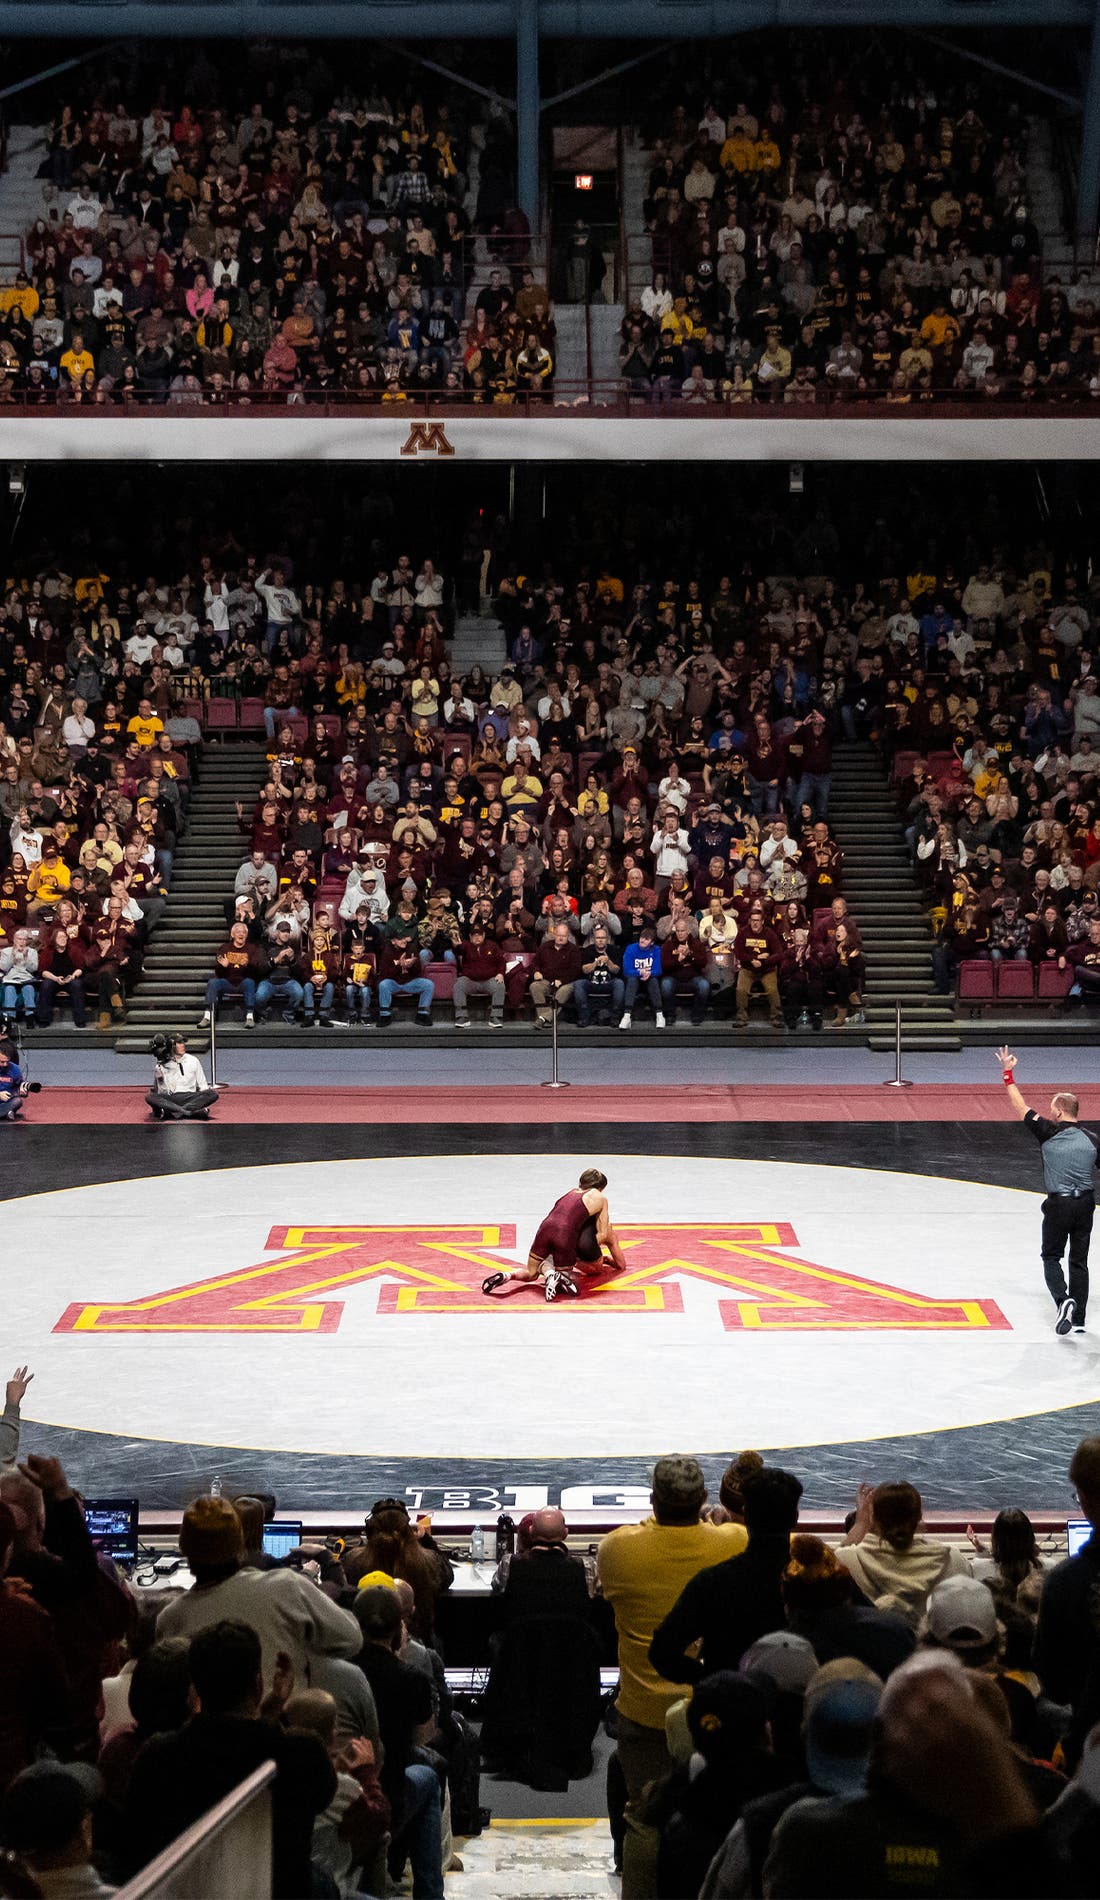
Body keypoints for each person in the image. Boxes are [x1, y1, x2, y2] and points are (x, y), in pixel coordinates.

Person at [597, 1456, 749, 1897]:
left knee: (644, 1816)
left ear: (653, 1500)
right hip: (712, 1704)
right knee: (722, 1809)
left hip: (645, 1709)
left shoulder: (618, 1549)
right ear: (703, 1498)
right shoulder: (733, 1541)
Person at [122, 1620, 337, 1900]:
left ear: (194, 1691)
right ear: (258, 1682)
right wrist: (272, 1716)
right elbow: (320, 1796)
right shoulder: (303, 1753)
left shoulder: (157, 1757)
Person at [649, 1466, 804, 1684]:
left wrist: (712, 1680)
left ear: (746, 1514)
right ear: (795, 1518)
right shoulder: (818, 1580)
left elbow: (662, 1654)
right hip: (797, 1712)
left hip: (730, 1708)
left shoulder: (713, 1583)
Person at [998, 1044, 1099, 1334]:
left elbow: (1020, 1106)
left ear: (1057, 1110)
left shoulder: (1047, 1131)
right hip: (1086, 1205)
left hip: (1059, 1205)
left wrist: (1008, 1074)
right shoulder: (1092, 1139)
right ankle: (1079, 1319)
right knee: (1079, 1260)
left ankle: (1063, 1300)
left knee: (1051, 1256)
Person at [481, 1165, 628, 1302]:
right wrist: (583, 1251)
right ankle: (551, 1274)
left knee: (531, 1273)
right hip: (565, 1235)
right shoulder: (600, 1198)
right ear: (600, 1188)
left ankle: (508, 1275)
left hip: (545, 1228)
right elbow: (602, 1233)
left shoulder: (570, 1193)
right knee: (564, 1280)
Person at [144, 1031, 219, 1121]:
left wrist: (201, 1098)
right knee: (150, 1097)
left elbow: (203, 1086)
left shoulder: (193, 1060)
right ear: (172, 1046)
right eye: (179, 1043)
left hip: (189, 1096)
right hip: (172, 1097)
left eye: (183, 1042)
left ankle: (176, 1112)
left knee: (212, 1094)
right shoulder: (163, 1064)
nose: (183, 1045)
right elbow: (160, 1091)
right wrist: (162, 1069)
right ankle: (190, 1112)